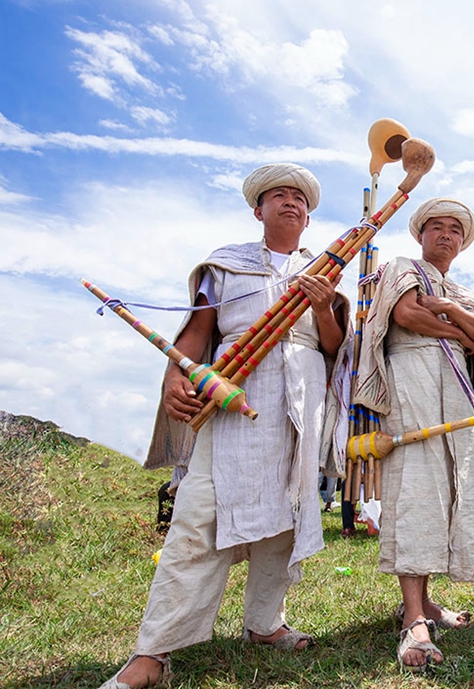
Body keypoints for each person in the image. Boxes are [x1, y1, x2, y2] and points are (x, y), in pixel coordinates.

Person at [101, 163, 352, 689]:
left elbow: (331, 348)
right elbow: (197, 332)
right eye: (277, 195)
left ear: (309, 216)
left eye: (299, 198)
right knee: (199, 517)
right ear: (256, 210)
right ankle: (154, 652)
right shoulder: (225, 265)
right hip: (235, 391)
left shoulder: (325, 269)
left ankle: (264, 624)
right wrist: (175, 375)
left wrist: (325, 306)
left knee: (287, 513)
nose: (290, 202)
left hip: (300, 401)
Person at [354, 198, 474, 670]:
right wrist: (457, 327)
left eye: (455, 230)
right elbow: (407, 318)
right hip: (412, 378)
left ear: (462, 242)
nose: (445, 235)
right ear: (421, 234)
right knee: (416, 487)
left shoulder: (459, 290)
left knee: (448, 489)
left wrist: (450, 310)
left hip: (455, 388)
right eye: (436, 227)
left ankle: (428, 602)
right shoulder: (401, 267)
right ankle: (413, 617)